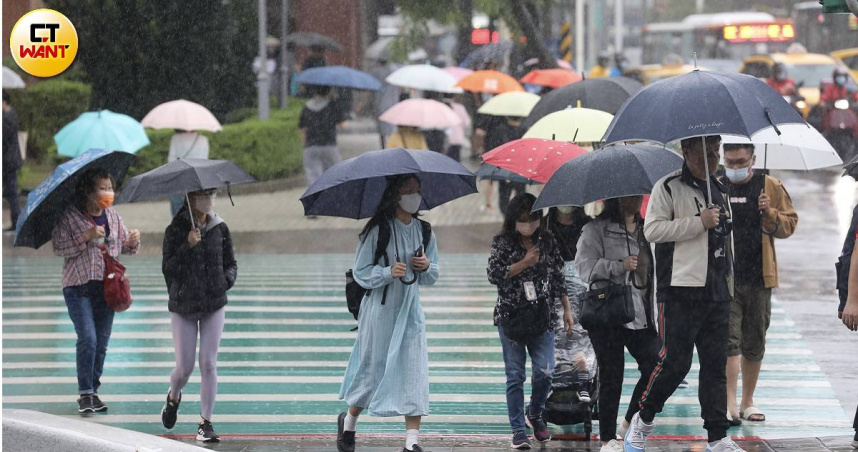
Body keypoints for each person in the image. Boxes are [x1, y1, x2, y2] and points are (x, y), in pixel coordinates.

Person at [625, 135, 745, 452]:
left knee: (714, 367)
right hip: (679, 290)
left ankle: (718, 436)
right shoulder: (668, 187)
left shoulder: (720, 189)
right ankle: (643, 418)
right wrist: (697, 222)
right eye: (705, 152)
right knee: (676, 364)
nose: (712, 157)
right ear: (687, 151)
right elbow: (652, 230)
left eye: (715, 151)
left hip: (717, 290)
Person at [337, 174, 439, 452]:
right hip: (380, 313)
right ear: (395, 195)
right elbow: (360, 272)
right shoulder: (377, 230)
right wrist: (386, 272)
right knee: (373, 370)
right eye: (408, 190)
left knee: (413, 371)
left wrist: (425, 266)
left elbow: (433, 276)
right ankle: (349, 421)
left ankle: (412, 441)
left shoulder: (425, 230)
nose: (414, 196)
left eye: (417, 190)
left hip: (411, 313)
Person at [487, 193, 574, 450]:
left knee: (545, 370)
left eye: (533, 218)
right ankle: (517, 429)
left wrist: (566, 309)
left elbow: (558, 276)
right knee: (515, 375)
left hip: (542, 318)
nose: (528, 224)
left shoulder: (547, 241)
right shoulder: (502, 243)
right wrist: (524, 263)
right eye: (523, 219)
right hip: (511, 318)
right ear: (513, 219)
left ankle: (535, 413)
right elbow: (494, 274)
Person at [576, 197, 662, 452]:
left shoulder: (649, 229)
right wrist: (618, 266)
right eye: (626, 197)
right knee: (612, 375)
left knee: (658, 364)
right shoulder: (595, 229)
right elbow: (584, 268)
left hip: (641, 313)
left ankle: (629, 422)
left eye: (637, 195)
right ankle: (606, 438)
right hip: (608, 314)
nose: (633, 201)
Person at [52, 168, 140, 414]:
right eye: (102, 188)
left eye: (110, 187)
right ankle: (85, 393)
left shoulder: (113, 216)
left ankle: (93, 390)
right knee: (88, 338)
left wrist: (133, 241)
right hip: (77, 287)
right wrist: (85, 236)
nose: (108, 192)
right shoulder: (70, 216)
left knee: (101, 342)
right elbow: (59, 247)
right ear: (89, 192)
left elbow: (124, 245)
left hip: (107, 288)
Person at [720, 143, 797, 424]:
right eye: (730, 162)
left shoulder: (770, 186)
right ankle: (729, 401)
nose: (736, 167)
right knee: (729, 342)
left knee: (755, 340)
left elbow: (789, 225)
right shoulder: (716, 186)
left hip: (759, 278)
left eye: (741, 162)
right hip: (726, 278)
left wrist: (770, 213)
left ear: (753, 159)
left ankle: (747, 401)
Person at [160, 189, 237, 443]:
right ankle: (173, 397)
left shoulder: (219, 227)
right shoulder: (175, 230)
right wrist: (187, 246)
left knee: (208, 363)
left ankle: (205, 422)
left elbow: (231, 263)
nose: (209, 199)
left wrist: (225, 281)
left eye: (212, 193)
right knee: (184, 368)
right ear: (190, 199)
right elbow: (168, 268)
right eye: (203, 194)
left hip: (214, 303)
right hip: (184, 305)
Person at [546, 206, 593, 401]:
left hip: (582, 285)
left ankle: (583, 381)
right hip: (551, 287)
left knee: (579, 333)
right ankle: (551, 383)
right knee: (556, 333)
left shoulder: (589, 226)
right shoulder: (545, 226)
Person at [299, 85, 345, 189]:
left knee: (313, 177)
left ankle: (315, 200)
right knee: (333, 176)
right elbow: (342, 125)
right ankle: (331, 199)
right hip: (330, 146)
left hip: (311, 146)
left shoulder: (306, 107)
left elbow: (302, 129)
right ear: (329, 92)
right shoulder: (333, 105)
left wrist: (305, 145)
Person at [485, 116, 526, 215]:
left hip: (505, 168)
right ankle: (518, 215)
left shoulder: (500, 130)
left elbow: (492, 147)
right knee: (520, 195)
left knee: (504, 195)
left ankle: (507, 217)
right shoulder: (524, 130)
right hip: (520, 169)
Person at [167, 130, 210, 217]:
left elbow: (171, 161)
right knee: (199, 210)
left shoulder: (176, 138)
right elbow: (205, 160)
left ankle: (181, 228)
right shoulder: (203, 139)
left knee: (178, 211)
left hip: (179, 178)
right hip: (198, 178)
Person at [3, 90, 23, 231]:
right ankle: (16, 221)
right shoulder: (12, 115)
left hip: (7, 162)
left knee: (12, 193)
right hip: (11, 160)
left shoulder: (6, 118)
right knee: (11, 193)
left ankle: (17, 221)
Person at [444, 93, 471, 162]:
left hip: (445, 139)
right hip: (457, 139)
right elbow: (467, 122)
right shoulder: (460, 107)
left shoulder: (442, 106)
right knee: (456, 161)